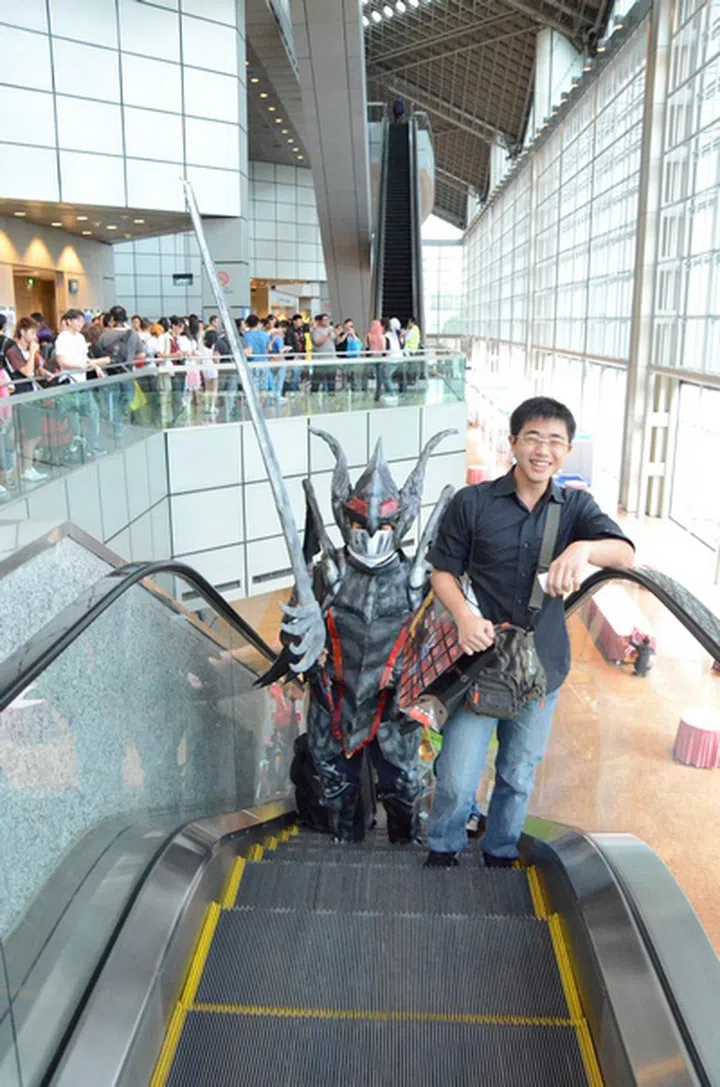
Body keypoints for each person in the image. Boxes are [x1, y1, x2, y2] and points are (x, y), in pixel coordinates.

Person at [425, 396, 635, 868]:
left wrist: (582, 549)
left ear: (567, 449)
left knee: (518, 772)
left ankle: (499, 850)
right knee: (458, 774)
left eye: (556, 441)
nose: (544, 450)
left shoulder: (575, 507)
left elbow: (625, 554)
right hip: (479, 661)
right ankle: (444, 846)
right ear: (513, 442)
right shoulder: (473, 503)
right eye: (534, 438)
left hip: (542, 667)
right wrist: (462, 616)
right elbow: (442, 571)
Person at [263, 427, 456, 842]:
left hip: (394, 704)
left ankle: (405, 843)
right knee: (336, 785)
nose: (369, 530)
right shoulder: (327, 573)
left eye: (381, 522)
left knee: (403, 788)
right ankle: (345, 840)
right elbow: (293, 632)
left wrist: (415, 679)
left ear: (399, 520)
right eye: (359, 521)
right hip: (334, 697)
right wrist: (301, 644)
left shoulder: (416, 578)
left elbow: (435, 639)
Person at [54, 309, 105, 456]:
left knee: (91, 413)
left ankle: (91, 446)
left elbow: (85, 357)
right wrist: (80, 366)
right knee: (74, 416)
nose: (81, 324)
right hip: (70, 382)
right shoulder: (62, 338)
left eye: (82, 321)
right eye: (78, 320)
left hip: (82, 382)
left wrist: (95, 367)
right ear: (69, 321)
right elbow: (61, 361)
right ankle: (78, 448)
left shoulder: (80, 338)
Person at [3, 317, 49, 482]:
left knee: (33, 434)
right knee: (27, 435)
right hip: (21, 397)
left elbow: (35, 369)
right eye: (32, 332)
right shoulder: (13, 351)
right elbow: (27, 372)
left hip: (31, 394)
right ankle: (23, 470)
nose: (35, 336)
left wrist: (43, 371)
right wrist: (32, 353)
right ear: (22, 332)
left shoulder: (27, 350)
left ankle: (26, 468)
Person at [243, 314, 270, 398]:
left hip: (253, 364)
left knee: (254, 387)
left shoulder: (247, 336)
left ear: (247, 324)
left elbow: (249, 351)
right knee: (263, 387)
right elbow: (268, 348)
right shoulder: (265, 335)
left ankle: (255, 407)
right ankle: (261, 407)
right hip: (264, 363)